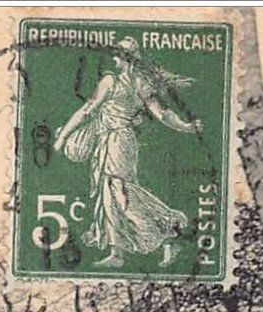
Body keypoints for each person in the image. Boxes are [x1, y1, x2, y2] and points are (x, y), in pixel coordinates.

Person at [54, 38, 202, 267]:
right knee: (111, 193)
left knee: (119, 194)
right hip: (120, 140)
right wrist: (185, 126)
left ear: (126, 57)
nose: (114, 58)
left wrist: (63, 136)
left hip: (115, 140)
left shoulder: (110, 81)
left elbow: (86, 110)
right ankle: (118, 252)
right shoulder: (141, 83)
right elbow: (163, 115)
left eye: (118, 54)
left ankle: (167, 232)